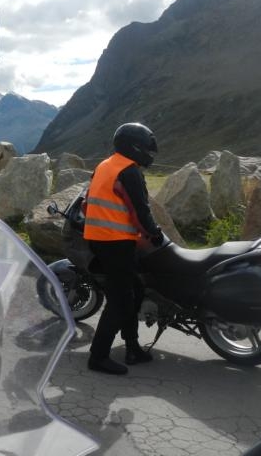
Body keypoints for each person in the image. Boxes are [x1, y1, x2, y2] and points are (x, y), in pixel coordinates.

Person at [84, 122, 164, 375]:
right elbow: (140, 211)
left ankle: (132, 347)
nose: (149, 153)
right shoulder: (128, 171)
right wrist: (155, 233)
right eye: (147, 148)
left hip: (99, 238)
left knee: (134, 290)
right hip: (115, 241)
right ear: (135, 147)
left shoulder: (105, 165)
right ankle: (98, 357)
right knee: (120, 300)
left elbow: (88, 203)